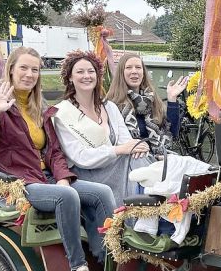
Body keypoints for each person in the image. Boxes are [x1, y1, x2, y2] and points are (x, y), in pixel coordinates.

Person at [0, 46, 114, 271]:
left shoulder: (39, 106)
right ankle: (78, 270)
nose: (29, 74)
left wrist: (63, 178)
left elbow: (54, 151)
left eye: (35, 69)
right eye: (23, 68)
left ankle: (108, 259)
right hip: (17, 183)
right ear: (11, 70)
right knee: (66, 197)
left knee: (101, 192)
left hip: (45, 178)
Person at [48, 51, 149, 203]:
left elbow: (126, 142)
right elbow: (80, 157)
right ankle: (144, 215)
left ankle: (149, 212)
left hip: (117, 166)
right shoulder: (61, 113)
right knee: (141, 167)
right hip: (88, 173)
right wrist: (118, 150)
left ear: (97, 75)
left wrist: (138, 148)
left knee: (139, 158)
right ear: (70, 77)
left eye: (91, 71)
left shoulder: (110, 107)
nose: (86, 76)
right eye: (80, 72)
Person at [104, 53, 188, 153]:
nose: (134, 71)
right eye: (129, 67)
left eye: (138, 67)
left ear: (143, 72)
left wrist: (172, 99)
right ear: (121, 73)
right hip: (130, 162)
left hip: (157, 159)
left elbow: (172, 133)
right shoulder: (112, 104)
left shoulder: (151, 99)